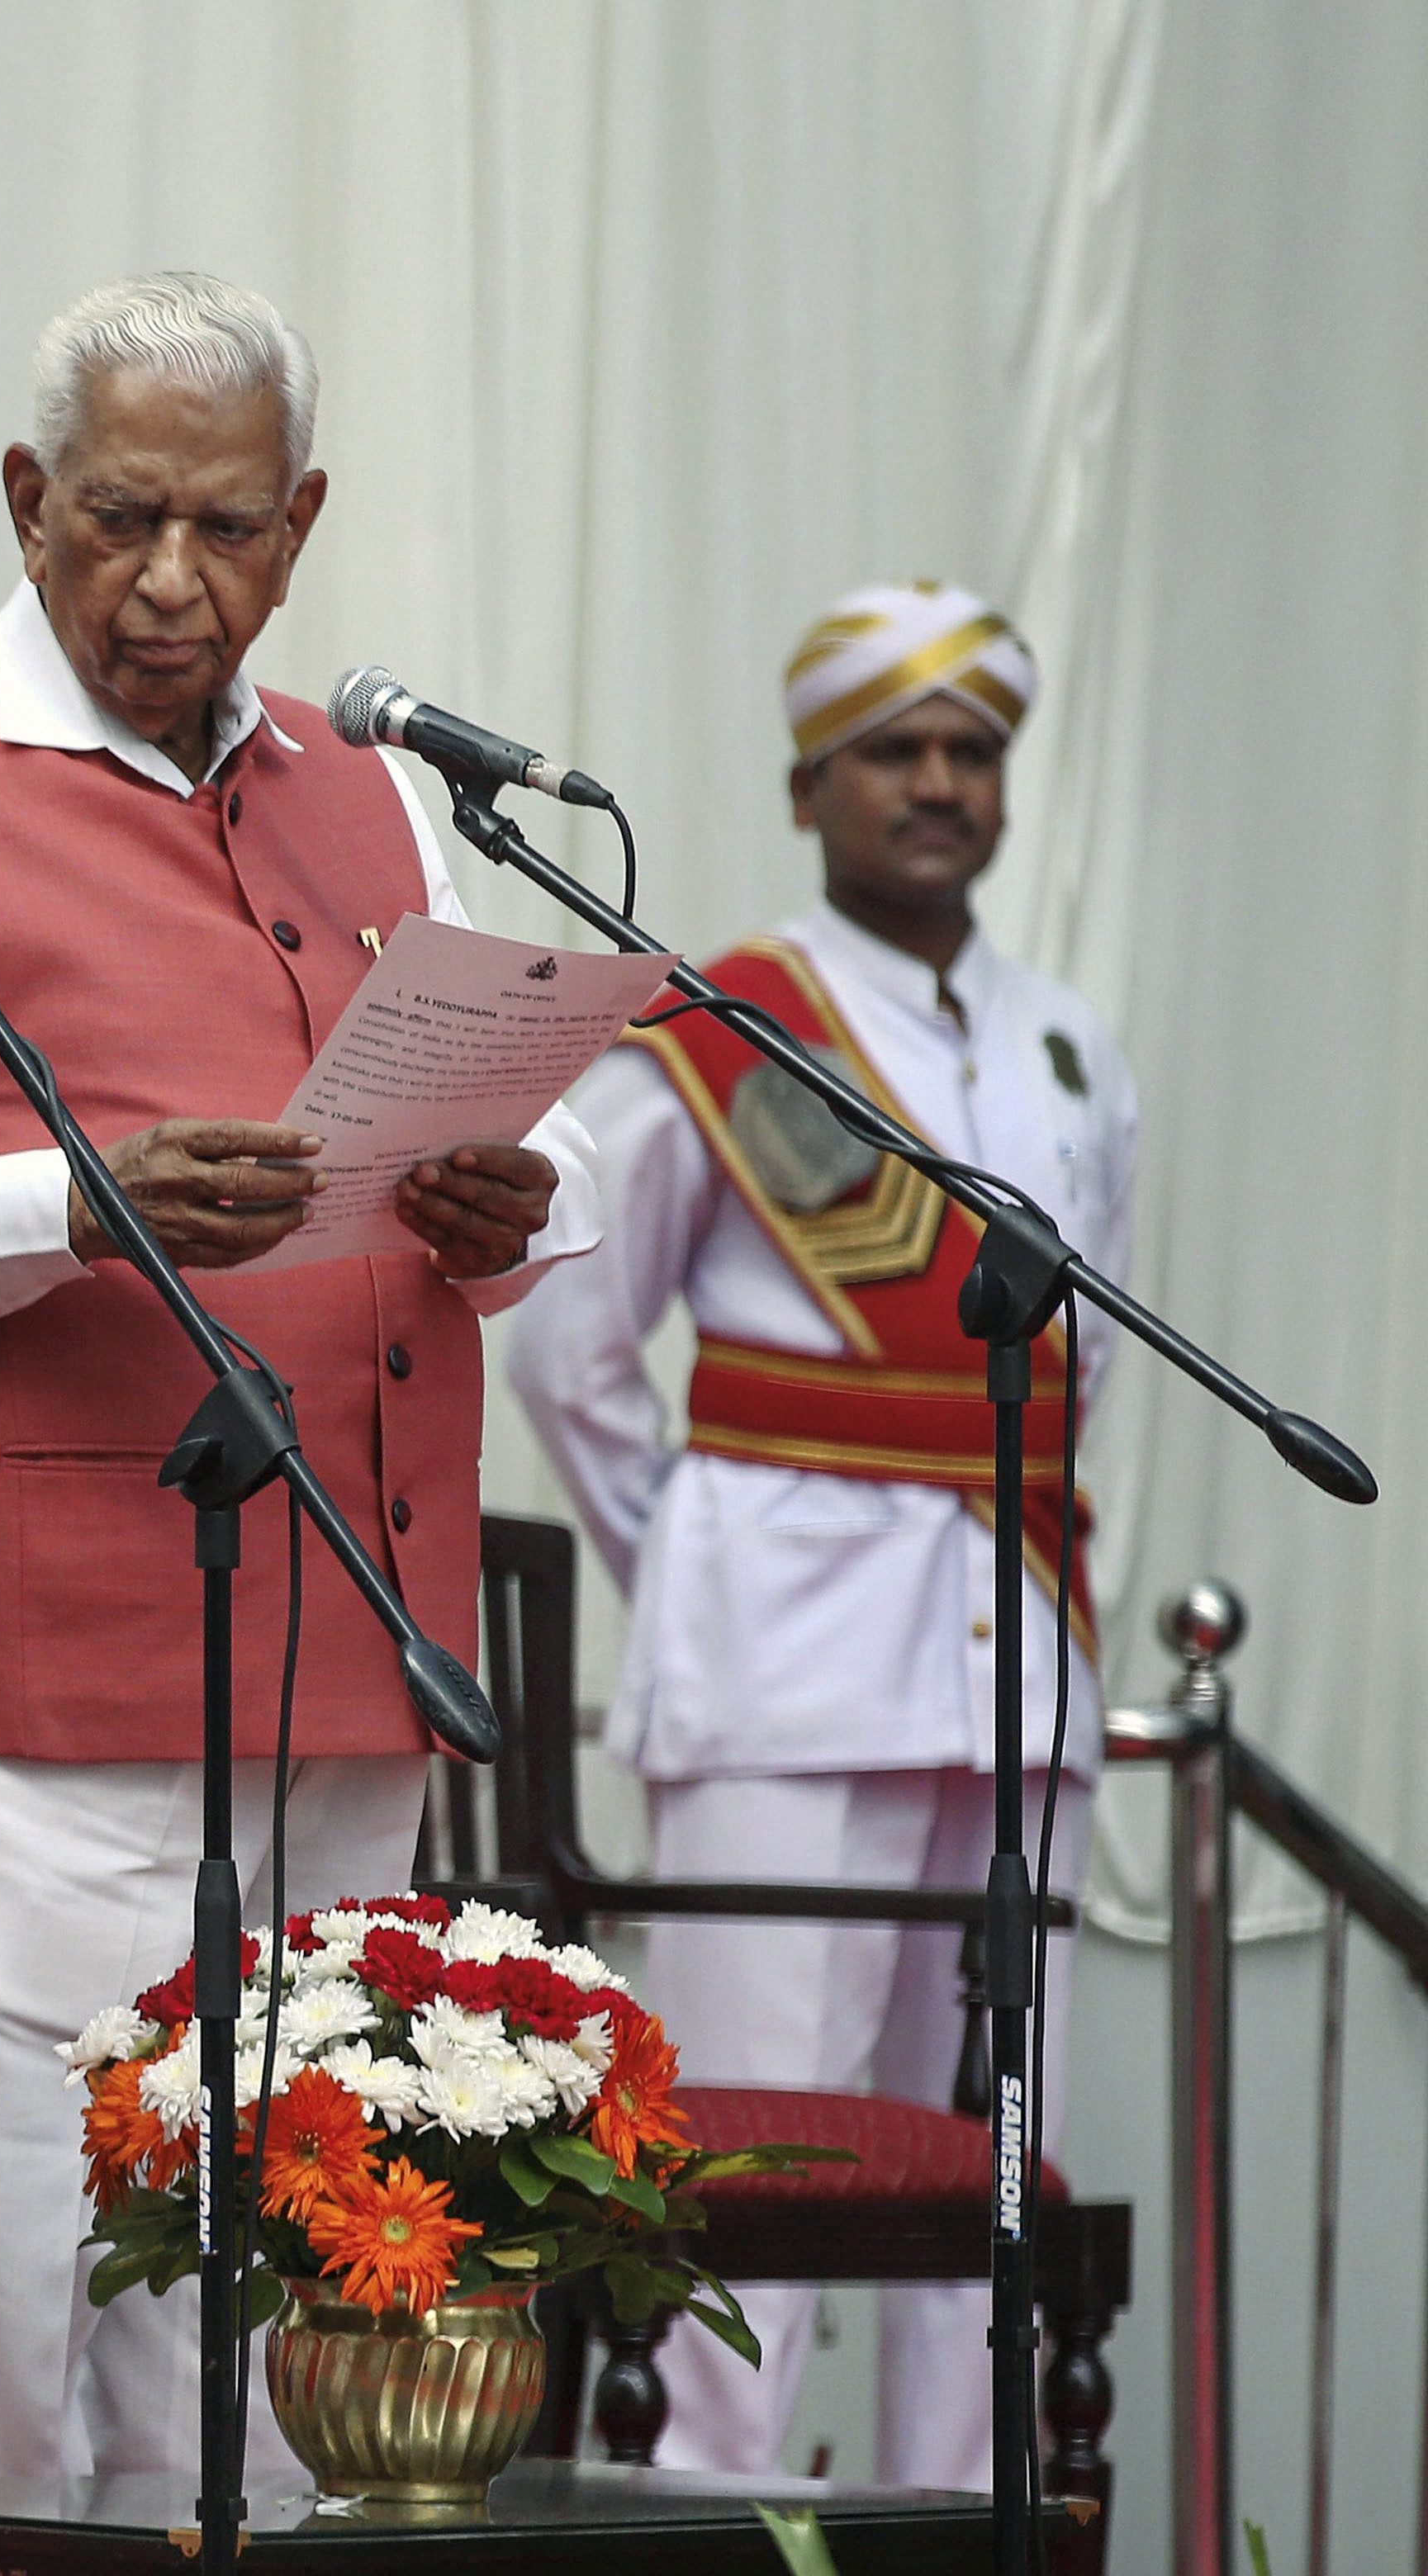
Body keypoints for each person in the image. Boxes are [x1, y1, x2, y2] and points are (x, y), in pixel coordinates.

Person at [0, 269, 600, 2488]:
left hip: (356, 1658)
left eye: (225, 527)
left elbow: (514, 1137)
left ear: (304, 526)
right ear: (29, 501)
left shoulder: (371, 795)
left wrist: (518, 1197)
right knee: (22, 2305)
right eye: (119, 519)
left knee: (303, 2311)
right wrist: (73, 1209)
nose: (171, 580)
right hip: (49, 1683)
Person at [506, 580, 1132, 2487]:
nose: (939, 784)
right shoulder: (720, 1031)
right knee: (747, 2186)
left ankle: (971, 2525)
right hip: (781, 1683)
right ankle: (716, 2525)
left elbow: (1090, 1364)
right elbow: (571, 1352)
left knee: (985, 2189)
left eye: (973, 752)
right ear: (808, 788)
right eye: (894, 751)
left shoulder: (1070, 1047)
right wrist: (713, 1580)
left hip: (1016, 1665)